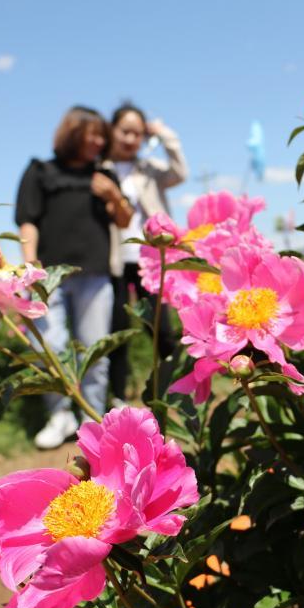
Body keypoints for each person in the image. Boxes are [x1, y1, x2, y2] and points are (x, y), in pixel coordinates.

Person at [15, 106, 133, 449]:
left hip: (95, 275)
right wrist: (30, 266)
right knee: (48, 346)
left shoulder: (105, 173)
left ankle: (92, 421)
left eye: (101, 135)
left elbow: (124, 220)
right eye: (91, 134)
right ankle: (60, 413)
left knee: (96, 351)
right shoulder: (41, 171)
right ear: (71, 133)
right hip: (48, 276)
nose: (98, 141)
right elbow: (27, 220)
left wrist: (113, 195)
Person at [104, 102, 188, 404]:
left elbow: (180, 172)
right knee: (117, 331)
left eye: (138, 133)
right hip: (113, 260)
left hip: (151, 260)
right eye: (125, 131)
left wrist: (164, 134)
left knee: (162, 329)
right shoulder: (101, 169)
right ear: (111, 130)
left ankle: (174, 388)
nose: (130, 139)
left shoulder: (149, 169)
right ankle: (118, 397)